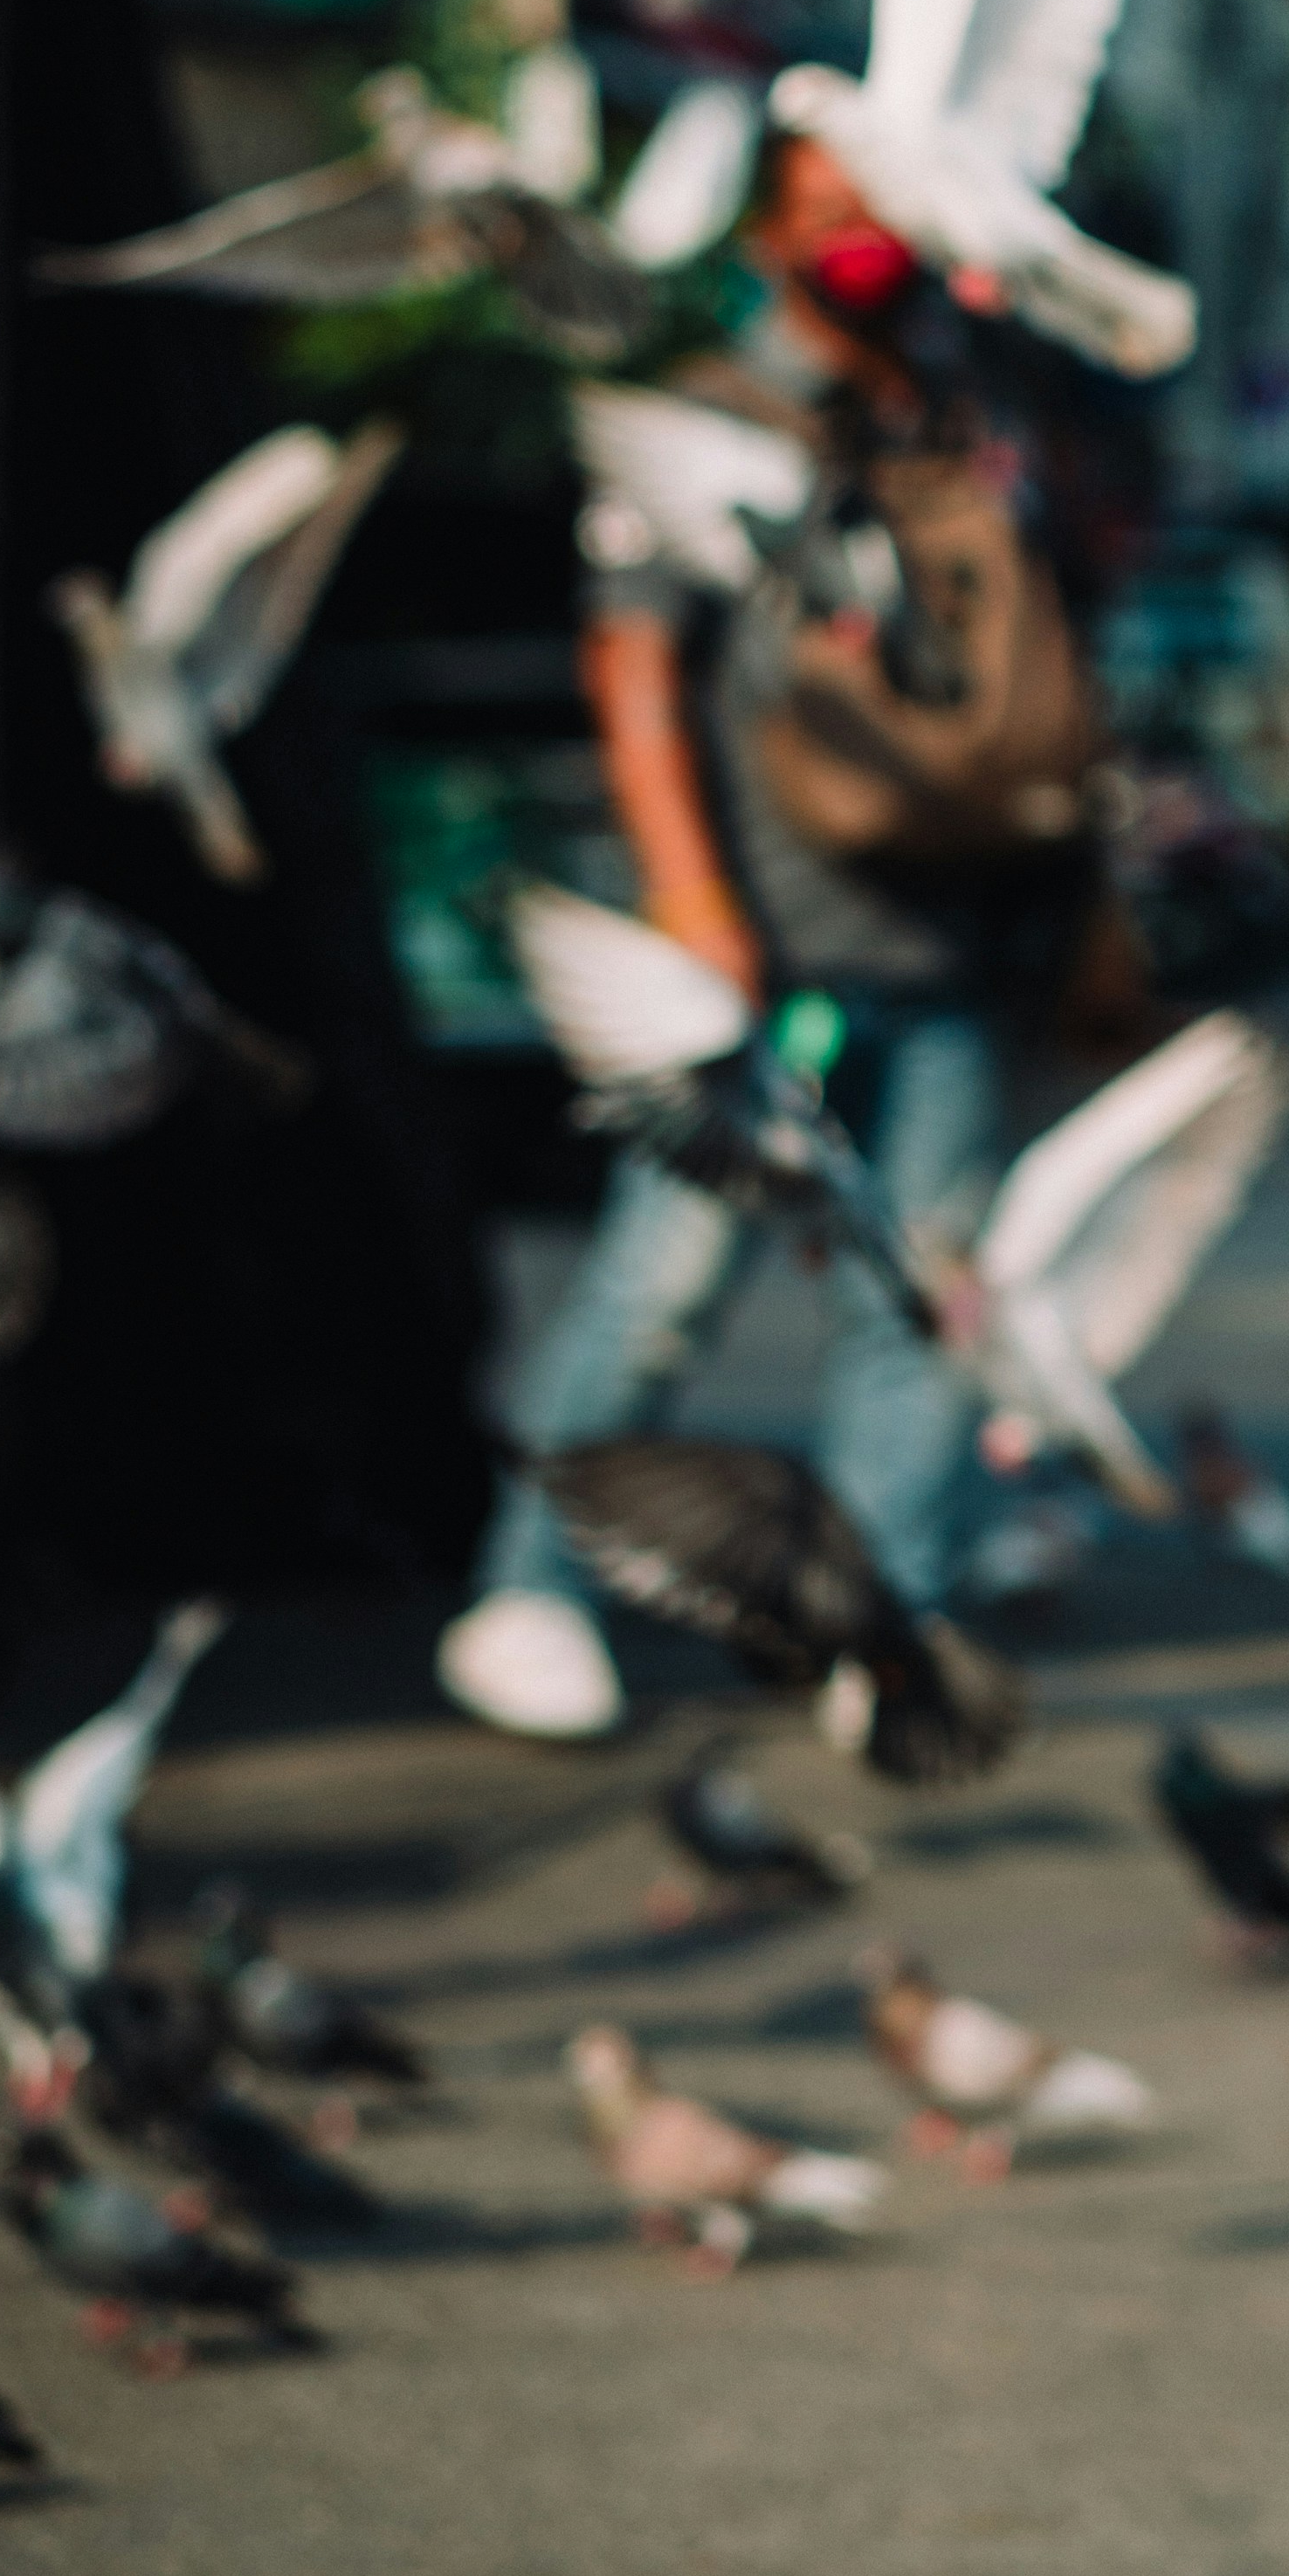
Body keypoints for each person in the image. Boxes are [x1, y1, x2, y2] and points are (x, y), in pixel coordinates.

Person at [437, 120, 1110, 1744]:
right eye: (829, 211)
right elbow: (631, 669)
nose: (863, 238)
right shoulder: (699, 416)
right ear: (764, 237)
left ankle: (881, 1623)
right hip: (754, 962)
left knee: (919, 1301)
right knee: (656, 1286)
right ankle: (529, 1587)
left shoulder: (964, 414)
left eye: (886, 207)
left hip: (944, 945)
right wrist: (688, 904)